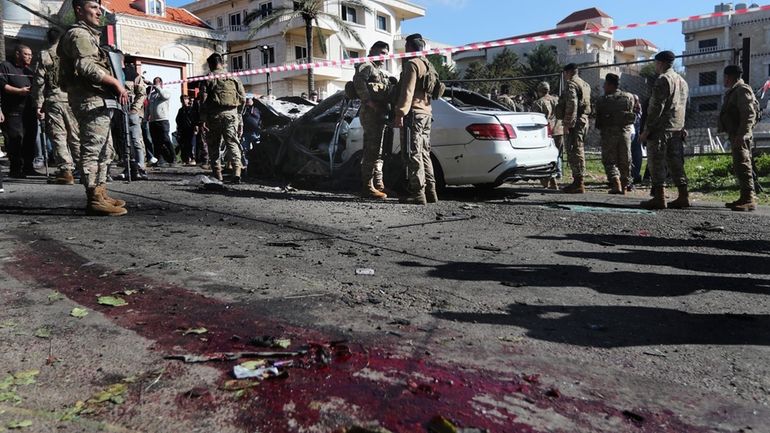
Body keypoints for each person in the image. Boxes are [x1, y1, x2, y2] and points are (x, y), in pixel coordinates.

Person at [58, 0, 129, 216]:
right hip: (89, 98)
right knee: (93, 148)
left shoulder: (88, 35)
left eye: (99, 8)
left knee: (105, 149)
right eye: (93, 7)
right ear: (79, 10)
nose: (99, 11)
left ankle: (101, 191)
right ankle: (94, 198)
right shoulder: (79, 35)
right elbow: (86, 66)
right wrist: (116, 83)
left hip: (97, 98)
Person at [394, 33, 444, 205]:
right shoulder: (430, 66)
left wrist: (400, 114)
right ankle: (431, 192)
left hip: (413, 113)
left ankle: (417, 194)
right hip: (426, 113)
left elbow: (407, 92)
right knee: (424, 153)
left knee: (413, 153)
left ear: (409, 48)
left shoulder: (412, 64)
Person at [639, 50, 690, 210]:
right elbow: (684, 107)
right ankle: (683, 196)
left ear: (660, 63)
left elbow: (656, 107)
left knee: (656, 162)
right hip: (676, 128)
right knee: (676, 163)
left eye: (656, 63)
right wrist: (682, 126)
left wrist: (647, 129)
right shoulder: (682, 81)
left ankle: (659, 197)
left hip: (661, 128)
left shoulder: (663, 79)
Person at [32, 28, 80, 185]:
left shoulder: (44, 54)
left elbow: (39, 82)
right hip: (72, 98)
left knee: (59, 135)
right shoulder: (70, 54)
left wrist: (38, 104)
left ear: (48, 39)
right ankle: (83, 169)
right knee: (75, 135)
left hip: (54, 99)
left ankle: (66, 171)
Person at [354, 41, 393, 200]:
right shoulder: (366, 65)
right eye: (382, 52)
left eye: (386, 53)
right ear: (373, 50)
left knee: (378, 150)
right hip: (370, 113)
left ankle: (379, 185)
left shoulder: (378, 70)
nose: (385, 56)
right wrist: (368, 101)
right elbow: (358, 81)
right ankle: (368, 187)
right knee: (371, 150)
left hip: (379, 113)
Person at [719, 65, 760, 212]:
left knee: (743, 165)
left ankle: (749, 199)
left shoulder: (742, 89)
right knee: (739, 165)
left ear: (729, 77)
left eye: (724, 77)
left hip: (740, 135)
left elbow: (749, 114)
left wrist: (742, 134)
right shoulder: (734, 91)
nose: (723, 80)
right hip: (736, 134)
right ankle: (744, 197)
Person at [200, 52, 245, 183]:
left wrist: (202, 119)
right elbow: (242, 97)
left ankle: (217, 173)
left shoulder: (209, 77)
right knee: (232, 143)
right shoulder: (233, 77)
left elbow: (203, 100)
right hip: (231, 114)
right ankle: (237, 171)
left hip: (214, 115)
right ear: (222, 63)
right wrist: (238, 115)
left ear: (210, 64)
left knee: (214, 144)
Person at [595, 73, 636, 195]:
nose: (603, 87)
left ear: (609, 85)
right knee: (625, 159)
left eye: (605, 85)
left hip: (608, 134)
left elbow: (598, 116)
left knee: (609, 160)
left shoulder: (602, 100)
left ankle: (616, 182)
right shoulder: (629, 97)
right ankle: (624, 185)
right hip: (625, 133)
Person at [0, 44, 35, 178]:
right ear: (17, 54)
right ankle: (15, 169)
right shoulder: (5, 66)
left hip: (29, 110)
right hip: (13, 110)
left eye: (31, 55)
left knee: (29, 138)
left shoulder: (29, 71)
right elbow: (3, 85)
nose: (29, 57)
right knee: (15, 139)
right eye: (26, 54)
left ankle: (28, 167)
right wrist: (19, 91)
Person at [556, 63, 592, 194]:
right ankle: (578, 181)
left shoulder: (572, 84)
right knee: (578, 148)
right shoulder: (585, 84)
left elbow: (572, 104)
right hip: (583, 120)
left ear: (569, 72)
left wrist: (567, 124)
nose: (564, 76)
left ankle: (578, 182)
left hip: (575, 122)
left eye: (565, 73)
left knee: (574, 150)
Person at [116, 55, 149, 180]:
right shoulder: (114, 75)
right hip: (119, 111)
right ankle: (128, 167)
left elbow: (142, 94)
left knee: (136, 140)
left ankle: (141, 167)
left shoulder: (133, 75)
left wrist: (135, 109)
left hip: (133, 112)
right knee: (123, 141)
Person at [531, 81, 562, 189]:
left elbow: (535, 119)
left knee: (545, 158)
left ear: (539, 91)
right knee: (557, 156)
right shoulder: (556, 100)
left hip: (546, 132)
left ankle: (548, 180)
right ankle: (556, 177)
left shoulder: (538, 103)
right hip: (559, 130)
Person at [147, 77, 175, 166]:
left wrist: (158, 87)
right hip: (153, 121)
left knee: (166, 139)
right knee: (156, 141)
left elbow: (164, 96)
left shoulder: (165, 92)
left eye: (158, 82)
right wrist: (146, 117)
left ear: (161, 83)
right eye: (155, 82)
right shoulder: (151, 95)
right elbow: (148, 107)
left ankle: (173, 158)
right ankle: (157, 160)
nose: (156, 84)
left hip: (163, 120)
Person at [176, 95, 197, 166]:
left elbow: (194, 119)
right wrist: (178, 128)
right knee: (183, 144)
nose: (184, 101)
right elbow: (178, 120)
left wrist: (195, 127)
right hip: (183, 129)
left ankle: (192, 158)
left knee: (191, 144)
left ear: (188, 100)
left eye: (185, 99)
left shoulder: (191, 109)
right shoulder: (181, 110)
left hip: (190, 128)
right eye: (183, 99)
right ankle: (185, 159)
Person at [629, 94, 643, 190]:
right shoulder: (629, 111)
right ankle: (631, 175)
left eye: (636, 101)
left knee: (637, 155)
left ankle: (635, 174)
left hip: (637, 135)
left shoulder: (639, 112)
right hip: (631, 134)